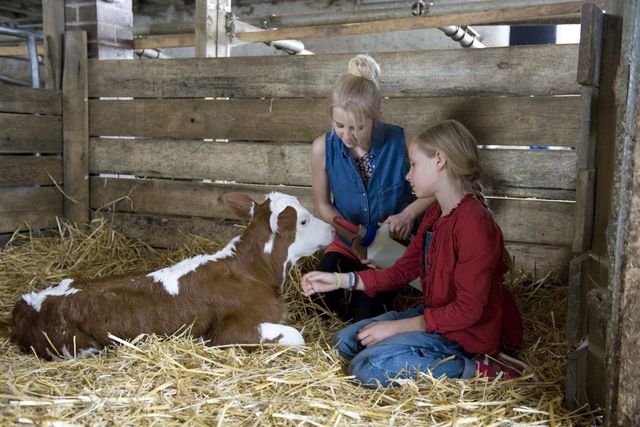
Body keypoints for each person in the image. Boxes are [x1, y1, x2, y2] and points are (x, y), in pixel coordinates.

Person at [301, 120, 530, 387]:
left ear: (439, 161)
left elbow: (468, 311)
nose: (408, 176)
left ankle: (478, 368)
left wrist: (395, 327)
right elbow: (400, 272)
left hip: (465, 336)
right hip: (435, 316)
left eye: (414, 165)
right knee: (342, 343)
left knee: (370, 367)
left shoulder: (474, 223)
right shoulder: (435, 214)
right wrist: (338, 280)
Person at [310, 54, 433, 322]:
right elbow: (324, 205)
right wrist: (354, 237)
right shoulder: (322, 147)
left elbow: (438, 186)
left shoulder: (404, 141)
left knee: (364, 313)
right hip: (347, 243)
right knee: (318, 305)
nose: (347, 135)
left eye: (358, 127)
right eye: (339, 125)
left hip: (391, 247)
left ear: (376, 116)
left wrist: (408, 214)